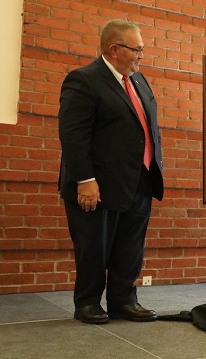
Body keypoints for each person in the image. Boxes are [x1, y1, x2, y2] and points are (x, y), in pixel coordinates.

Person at [58, 19, 164, 324]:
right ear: (114, 49)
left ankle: (123, 301)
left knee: (130, 246)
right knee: (94, 246)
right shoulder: (84, 80)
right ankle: (88, 302)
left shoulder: (139, 81)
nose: (142, 56)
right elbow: (73, 135)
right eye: (137, 50)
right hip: (97, 184)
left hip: (139, 180)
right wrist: (85, 179)